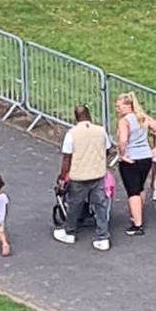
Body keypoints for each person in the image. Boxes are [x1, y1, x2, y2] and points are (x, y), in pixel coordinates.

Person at [55, 105, 111, 251]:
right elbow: (107, 149)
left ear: (76, 117)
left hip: (79, 175)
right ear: (89, 115)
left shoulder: (72, 134)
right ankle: (103, 236)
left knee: (75, 204)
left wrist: (62, 177)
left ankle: (70, 232)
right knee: (100, 205)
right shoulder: (101, 131)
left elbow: (67, 158)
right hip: (97, 173)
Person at [114, 93, 155, 236]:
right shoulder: (142, 117)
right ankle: (136, 215)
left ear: (127, 106)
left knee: (133, 192)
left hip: (132, 158)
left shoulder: (124, 121)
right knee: (139, 188)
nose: (117, 109)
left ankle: (138, 224)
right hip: (146, 157)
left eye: (119, 106)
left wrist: (122, 154)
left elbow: (123, 140)